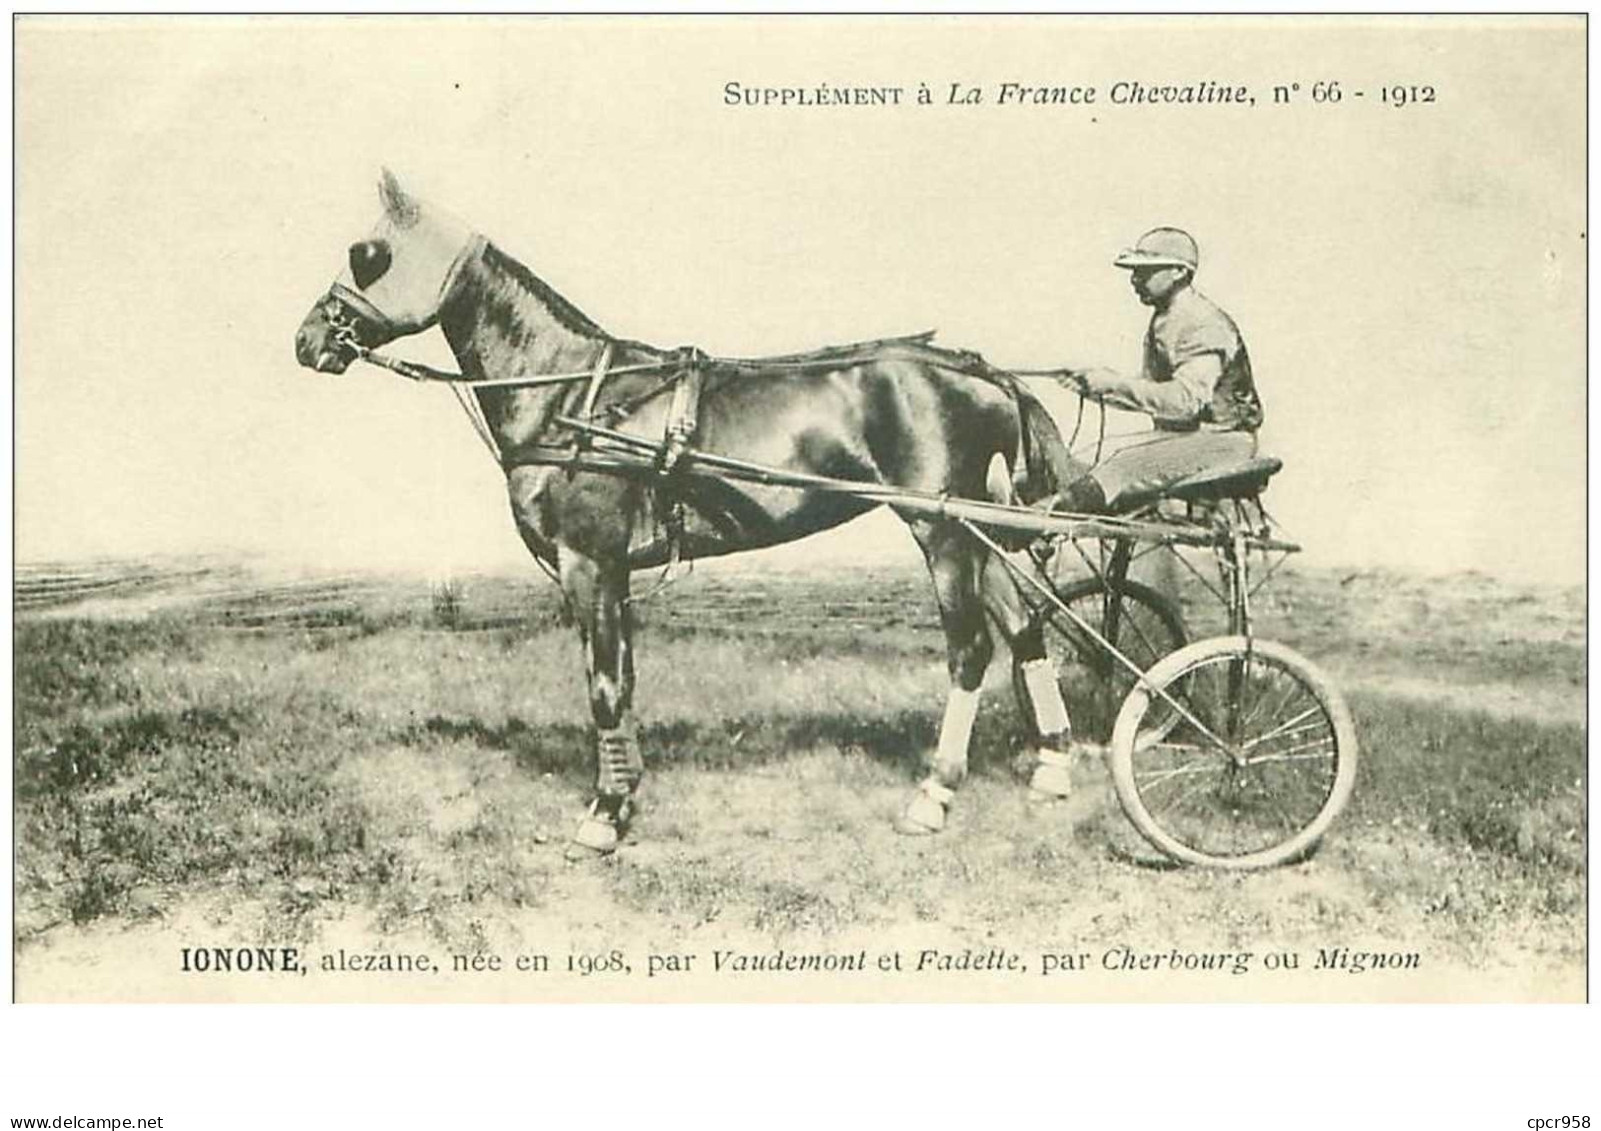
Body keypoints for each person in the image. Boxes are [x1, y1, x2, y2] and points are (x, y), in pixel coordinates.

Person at [1053, 227, 1263, 512]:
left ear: (1178, 271)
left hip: (1223, 441)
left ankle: (1037, 525)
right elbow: (1154, 393)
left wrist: (1111, 384)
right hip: (1185, 438)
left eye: (1144, 271)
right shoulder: (1166, 318)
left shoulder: (1203, 323)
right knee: (1089, 457)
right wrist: (1093, 385)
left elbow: (1185, 402)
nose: (1134, 280)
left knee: (1121, 467)